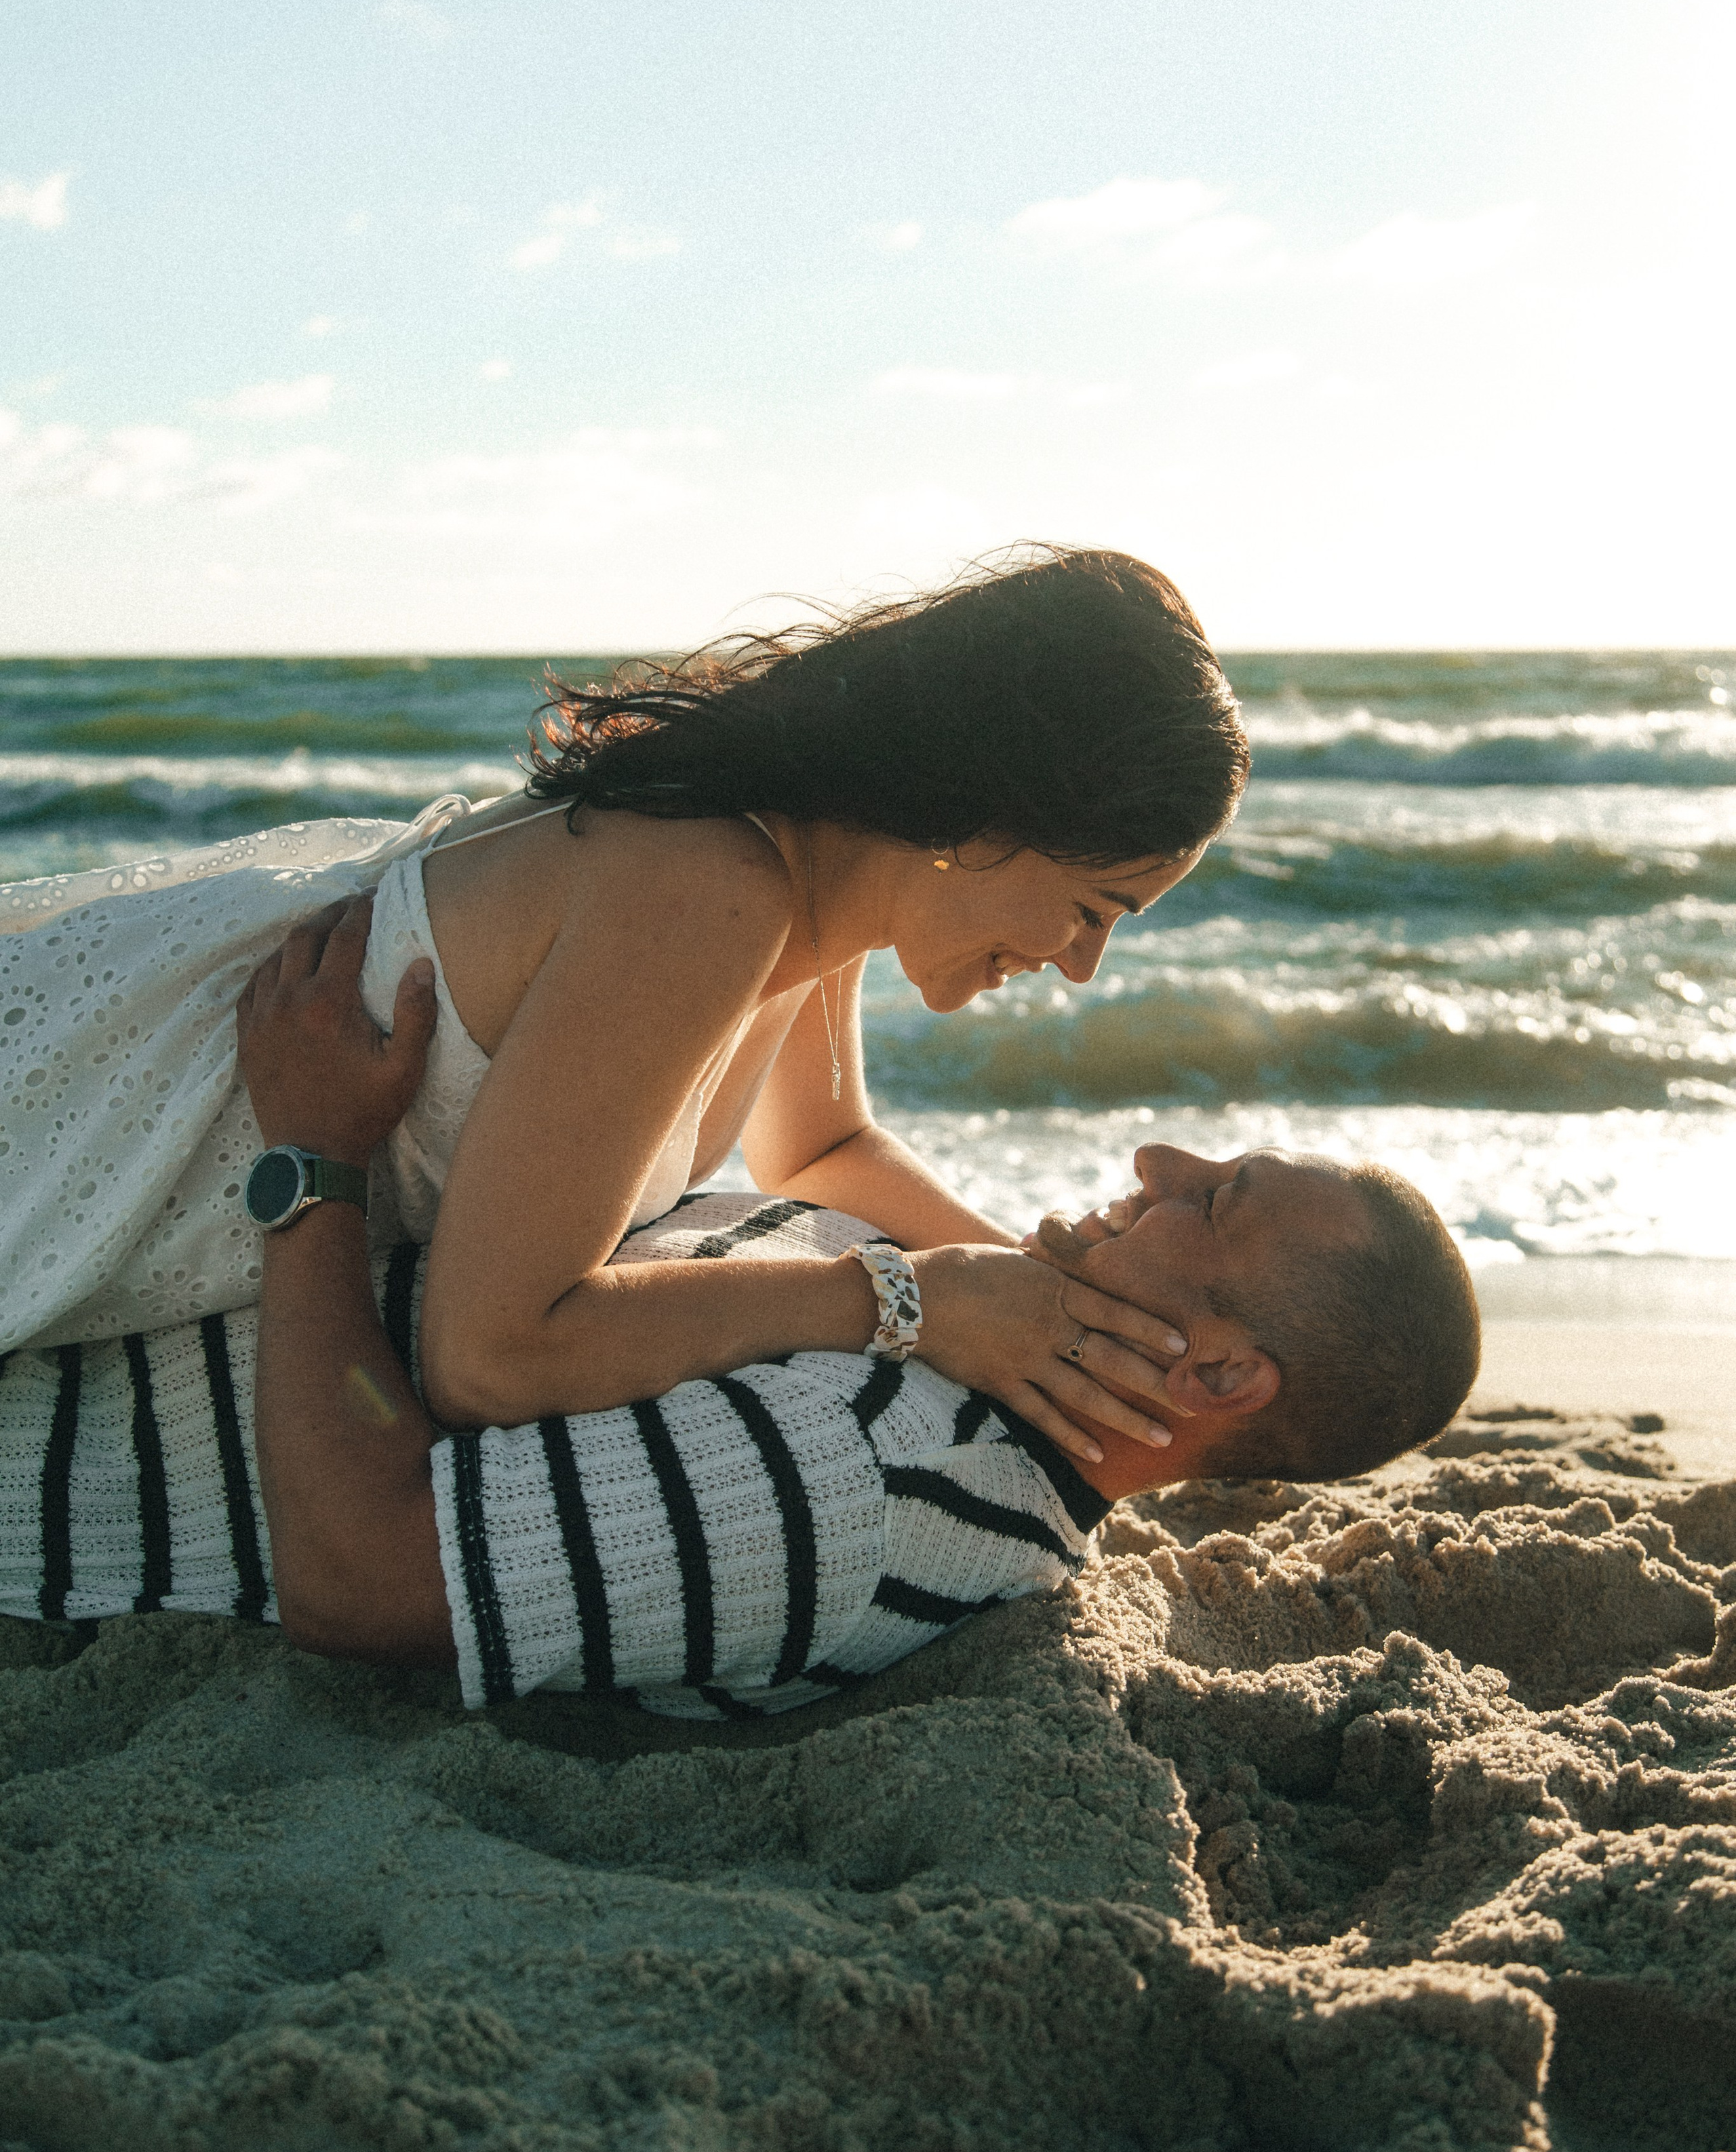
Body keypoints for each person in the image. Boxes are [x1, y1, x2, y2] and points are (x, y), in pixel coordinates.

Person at [0, 903, 1480, 1718]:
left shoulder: (888, 1481)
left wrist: (309, 1167)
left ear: (1217, 1372)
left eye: (1209, 1196)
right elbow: (823, 1141)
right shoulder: (980, 1339)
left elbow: (365, 1576)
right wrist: (821, 888)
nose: (1156, 1160)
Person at [0, 547, 1248, 1469]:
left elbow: (821, 1149)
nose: (1081, 965)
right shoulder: (710, 886)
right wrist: (910, 1303)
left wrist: (1060, 1311)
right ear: (993, 812)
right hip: (60, 1120)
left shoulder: (812, 893)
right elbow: (490, 1355)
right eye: (1098, 907)